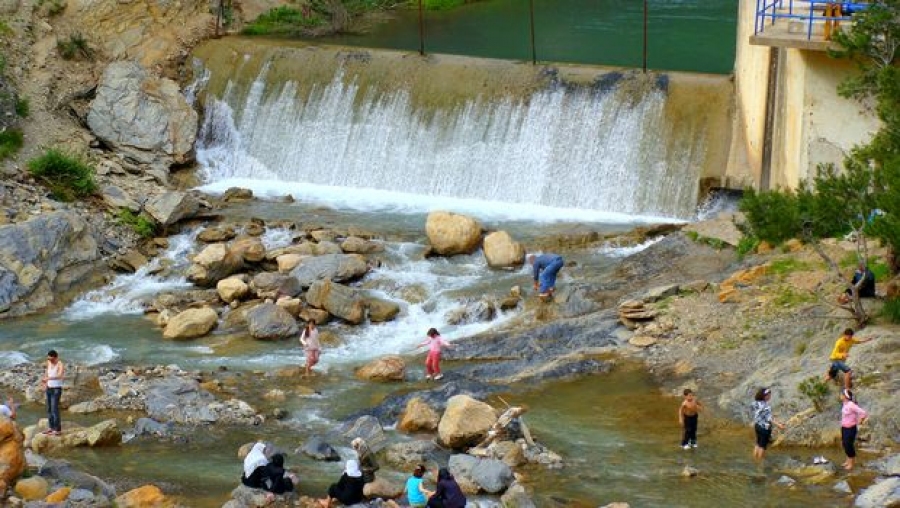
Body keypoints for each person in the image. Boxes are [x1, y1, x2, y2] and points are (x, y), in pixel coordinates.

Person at [752, 387, 785, 460]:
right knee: (763, 446)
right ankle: (760, 462)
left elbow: (761, 414)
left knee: (758, 443)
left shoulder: (755, 403)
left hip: (757, 425)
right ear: (765, 396)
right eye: (769, 395)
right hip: (764, 428)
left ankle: (755, 458)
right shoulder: (766, 406)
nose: (770, 397)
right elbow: (769, 418)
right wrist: (779, 425)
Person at [840, 388, 868, 471]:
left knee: (849, 445)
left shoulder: (851, 405)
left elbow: (863, 412)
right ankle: (847, 461)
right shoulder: (844, 403)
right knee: (845, 444)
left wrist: (860, 420)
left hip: (851, 429)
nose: (840, 396)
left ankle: (851, 463)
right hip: (844, 427)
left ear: (845, 396)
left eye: (841, 394)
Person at [41, 349, 64, 436]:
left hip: (56, 389)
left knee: (55, 409)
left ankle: (57, 429)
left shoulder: (60, 364)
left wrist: (49, 379)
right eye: (49, 359)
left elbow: (60, 375)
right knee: (49, 409)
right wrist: (45, 383)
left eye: (51, 359)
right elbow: (46, 373)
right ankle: (51, 428)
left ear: (55, 357)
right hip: (49, 388)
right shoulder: (48, 362)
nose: (50, 360)